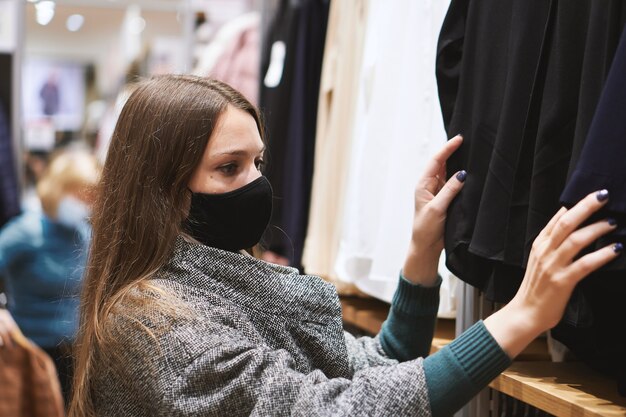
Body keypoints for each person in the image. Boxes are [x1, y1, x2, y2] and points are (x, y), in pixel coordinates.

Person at [67, 75, 621, 417]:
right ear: (160, 189)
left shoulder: (218, 281)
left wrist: (421, 252)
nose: (255, 183)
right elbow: (337, 409)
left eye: (257, 162)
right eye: (228, 168)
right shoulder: (151, 324)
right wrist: (521, 317)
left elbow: (371, 369)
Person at [0, 149, 101, 405]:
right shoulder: (26, 231)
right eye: (79, 194)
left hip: (75, 354)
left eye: (90, 196)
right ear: (59, 188)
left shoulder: (84, 234)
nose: (85, 202)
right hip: (30, 353)